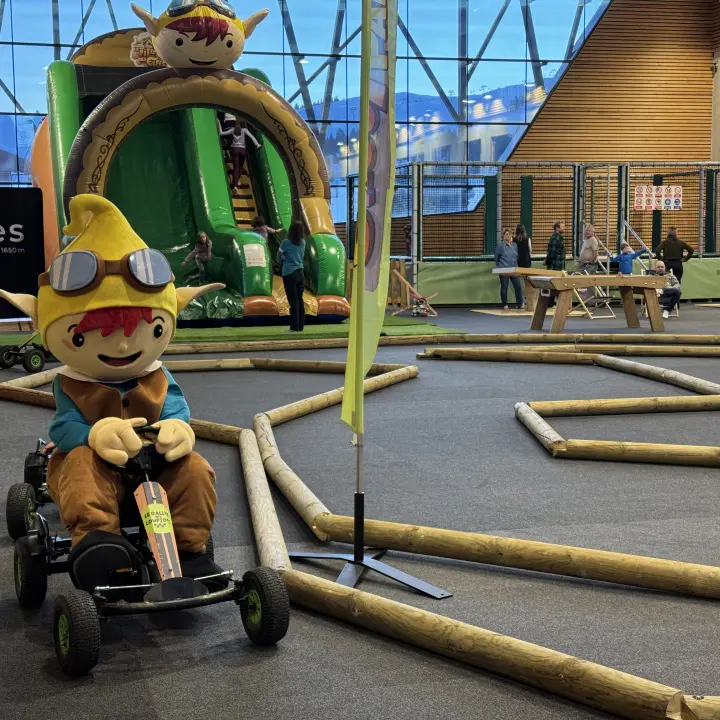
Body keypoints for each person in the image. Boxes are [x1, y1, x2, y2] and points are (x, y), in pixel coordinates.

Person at [0, 194, 227, 592]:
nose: (122, 346)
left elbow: (176, 409)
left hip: (152, 467)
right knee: (80, 463)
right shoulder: (72, 382)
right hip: (98, 472)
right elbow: (63, 429)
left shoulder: (158, 376)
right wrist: (94, 434)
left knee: (194, 468)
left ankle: (190, 550)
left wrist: (176, 428)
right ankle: (98, 542)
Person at [277, 221, 306, 331]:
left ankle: (294, 327)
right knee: (299, 299)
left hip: (289, 273)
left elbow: (279, 256)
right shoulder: (303, 243)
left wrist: (283, 258)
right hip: (300, 273)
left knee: (293, 301)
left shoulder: (286, 243)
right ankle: (300, 326)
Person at [220, 117, 261, 193]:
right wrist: (257, 144)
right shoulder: (244, 130)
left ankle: (235, 185)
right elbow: (252, 137)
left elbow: (221, 133)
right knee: (240, 167)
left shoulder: (233, 130)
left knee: (236, 168)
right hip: (242, 150)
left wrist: (219, 123)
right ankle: (236, 182)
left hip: (234, 150)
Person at [494, 228, 524, 310]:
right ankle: (505, 304)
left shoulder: (515, 245)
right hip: (504, 269)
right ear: (503, 236)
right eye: (506, 234)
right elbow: (496, 258)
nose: (508, 235)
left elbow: (516, 256)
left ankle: (520, 304)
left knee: (518, 286)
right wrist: (500, 266)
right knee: (504, 287)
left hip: (514, 269)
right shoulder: (500, 246)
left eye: (509, 234)